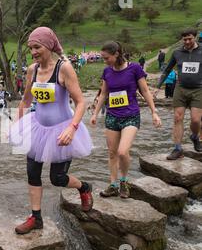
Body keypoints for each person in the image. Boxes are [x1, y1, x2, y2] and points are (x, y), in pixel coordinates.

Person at [9, 27, 94, 235]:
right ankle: (36, 218)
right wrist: (17, 125)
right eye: (30, 48)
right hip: (37, 127)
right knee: (32, 172)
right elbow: (27, 100)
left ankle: (84, 187)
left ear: (48, 45)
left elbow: (81, 102)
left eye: (37, 47)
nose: (33, 52)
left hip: (62, 130)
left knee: (57, 178)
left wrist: (72, 129)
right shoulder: (32, 70)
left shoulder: (63, 68)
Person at [91, 41, 161, 198]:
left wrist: (154, 112)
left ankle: (124, 181)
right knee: (112, 153)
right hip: (112, 116)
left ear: (116, 54)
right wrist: (95, 113)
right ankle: (113, 185)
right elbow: (103, 94)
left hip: (131, 115)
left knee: (123, 152)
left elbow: (144, 90)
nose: (104, 60)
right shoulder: (107, 71)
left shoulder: (134, 68)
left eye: (106, 57)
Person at [157, 28, 202, 157]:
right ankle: (177, 148)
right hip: (181, 88)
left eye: (190, 39)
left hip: (198, 89)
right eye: (185, 39)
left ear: (195, 37)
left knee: (195, 120)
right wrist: (159, 85)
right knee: (177, 118)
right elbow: (167, 69)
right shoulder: (177, 52)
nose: (187, 41)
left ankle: (194, 136)